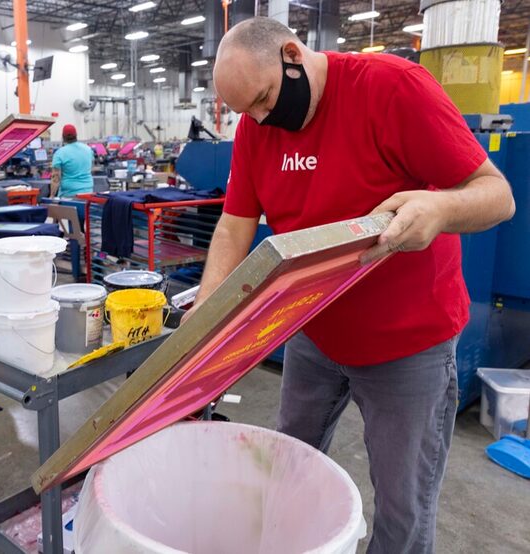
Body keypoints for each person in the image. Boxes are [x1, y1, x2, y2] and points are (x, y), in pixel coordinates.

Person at [190, 18, 515, 553]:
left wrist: (438, 206)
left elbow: (496, 196)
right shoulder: (256, 126)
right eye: (248, 110)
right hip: (312, 330)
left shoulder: (392, 88)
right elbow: (233, 224)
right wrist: (204, 321)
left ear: (293, 54)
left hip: (406, 346)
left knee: (402, 505)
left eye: (266, 99)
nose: (261, 119)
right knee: (286, 468)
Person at [50, 124, 94, 197]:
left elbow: (56, 178)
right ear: (76, 135)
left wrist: (51, 196)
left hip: (69, 194)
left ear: (63, 137)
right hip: (88, 192)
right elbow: (90, 168)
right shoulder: (88, 149)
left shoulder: (60, 153)